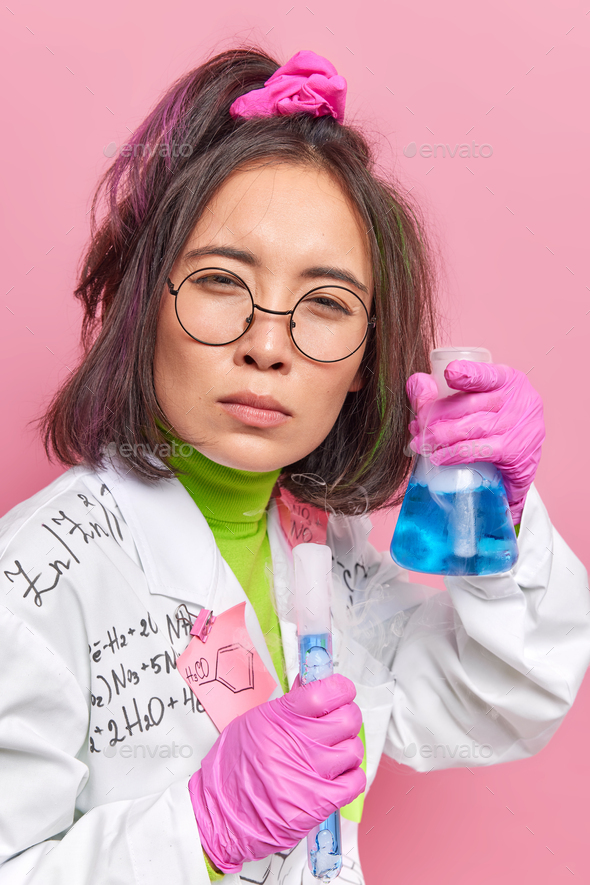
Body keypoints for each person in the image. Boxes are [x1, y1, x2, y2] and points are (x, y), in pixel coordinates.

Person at [0, 45, 588, 885]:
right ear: (143, 303)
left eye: (326, 303)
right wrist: (200, 830)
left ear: (364, 362)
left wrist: (497, 527)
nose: (268, 344)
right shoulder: (34, 582)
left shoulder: (325, 547)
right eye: (220, 281)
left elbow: (493, 703)